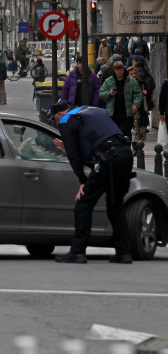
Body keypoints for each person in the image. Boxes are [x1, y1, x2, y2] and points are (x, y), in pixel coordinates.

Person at [49, 100, 134, 264]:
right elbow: (94, 144)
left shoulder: (66, 120)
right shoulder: (90, 112)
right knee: (115, 205)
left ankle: (77, 251)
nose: (57, 123)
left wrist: (83, 180)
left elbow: (75, 157)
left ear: (59, 114)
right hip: (125, 155)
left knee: (83, 204)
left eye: (55, 119)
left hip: (108, 158)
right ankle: (124, 253)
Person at [99, 60, 142, 136]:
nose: (119, 71)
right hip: (113, 113)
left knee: (126, 132)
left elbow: (138, 94)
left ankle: (127, 147)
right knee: (115, 133)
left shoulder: (131, 81)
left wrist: (136, 104)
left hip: (127, 112)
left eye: (121, 69)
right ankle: (117, 147)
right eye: (117, 69)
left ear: (123, 69)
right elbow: (101, 93)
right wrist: (109, 93)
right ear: (114, 70)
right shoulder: (108, 81)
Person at [128, 66, 150, 143]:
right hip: (131, 109)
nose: (134, 75)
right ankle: (134, 147)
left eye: (135, 73)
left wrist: (146, 93)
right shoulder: (127, 84)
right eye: (131, 74)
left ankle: (140, 147)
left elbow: (149, 95)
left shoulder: (142, 83)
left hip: (141, 109)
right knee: (133, 130)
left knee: (142, 129)